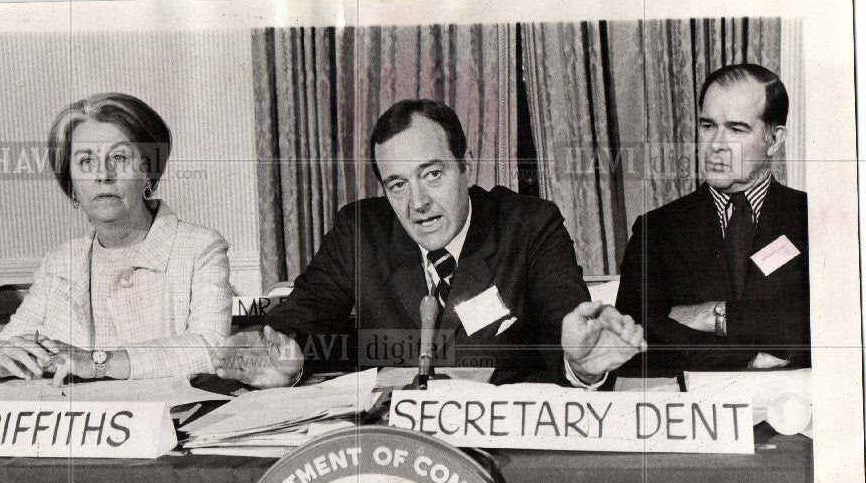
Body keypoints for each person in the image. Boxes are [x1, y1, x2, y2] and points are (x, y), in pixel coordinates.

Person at [213, 99, 644, 388]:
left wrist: (582, 363)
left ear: (466, 169)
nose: (418, 203)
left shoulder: (529, 225)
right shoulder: (360, 230)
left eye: (432, 174)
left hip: (499, 451)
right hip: (392, 450)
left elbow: (564, 321)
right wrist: (284, 356)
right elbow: (304, 316)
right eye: (398, 184)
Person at [0, 92, 232, 384]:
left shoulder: (199, 247)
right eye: (85, 162)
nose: (102, 175)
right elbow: (10, 340)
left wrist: (97, 363)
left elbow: (211, 347)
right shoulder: (60, 261)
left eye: (119, 157)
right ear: (71, 184)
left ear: (148, 172)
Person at [615, 64, 810, 373]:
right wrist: (746, 356)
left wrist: (717, 315)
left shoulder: (813, 219)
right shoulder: (656, 229)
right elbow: (634, 336)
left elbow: (832, 323)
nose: (716, 144)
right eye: (708, 126)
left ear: (774, 139)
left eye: (736, 129)